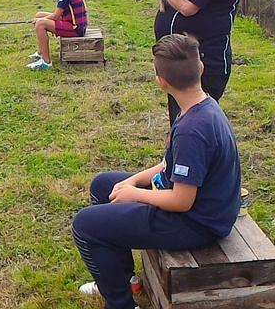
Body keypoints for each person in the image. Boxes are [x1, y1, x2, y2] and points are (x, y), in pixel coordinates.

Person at [72, 33, 242, 309]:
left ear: (161, 82)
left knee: (85, 225)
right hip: (197, 206)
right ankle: (124, 278)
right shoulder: (201, 105)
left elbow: (181, 200)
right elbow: (168, 165)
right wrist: (134, 181)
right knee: (103, 185)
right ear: (201, 68)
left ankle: (121, 305)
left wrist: (136, 196)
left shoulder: (193, 131)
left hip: (197, 223)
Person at [28, 0, 88, 69]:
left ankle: (46, 62)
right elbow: (59, 14)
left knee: (40, 24)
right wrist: (40, 17)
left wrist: (39, 20)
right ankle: (41, 52)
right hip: (72, 23)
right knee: (39, 15)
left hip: (76, 29)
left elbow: (55, 16)